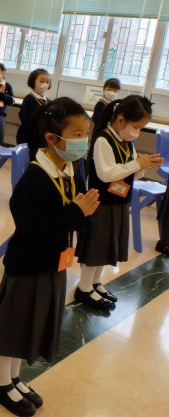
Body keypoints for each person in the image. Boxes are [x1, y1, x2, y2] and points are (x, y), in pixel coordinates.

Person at [0, 97, 99, 417]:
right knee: (13, 327)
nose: (84, 141)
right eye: (77, 135)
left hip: (53, 262)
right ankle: (0, 383)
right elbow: (34, 228)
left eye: (86, 134)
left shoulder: (71, 169)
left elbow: (76, 213)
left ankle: (14, 378)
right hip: (28, 264)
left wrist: (83, 214)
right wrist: (76, 213)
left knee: (28, 326)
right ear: (52, 138)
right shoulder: (35, 178)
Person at [75, 95, 162, 310]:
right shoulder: (103, 139)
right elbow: (106, 174)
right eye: (137, 126)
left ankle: (95, 283)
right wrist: (136, 164)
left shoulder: (126, 141)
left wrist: (143, 164)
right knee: (95, 247)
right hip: (100, 202)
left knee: (107, 247)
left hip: (119, 202)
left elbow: (132, 172)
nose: (137, 132)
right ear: (121, 119)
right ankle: (84, 288)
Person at [17, 68, 51, 156]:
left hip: (41, 138)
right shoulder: (29, 99)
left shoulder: (48, 101)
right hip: (28, 137)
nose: (45, 84)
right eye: (41, 81)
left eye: (47, 82)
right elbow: (25, 118)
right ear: (33, 82)